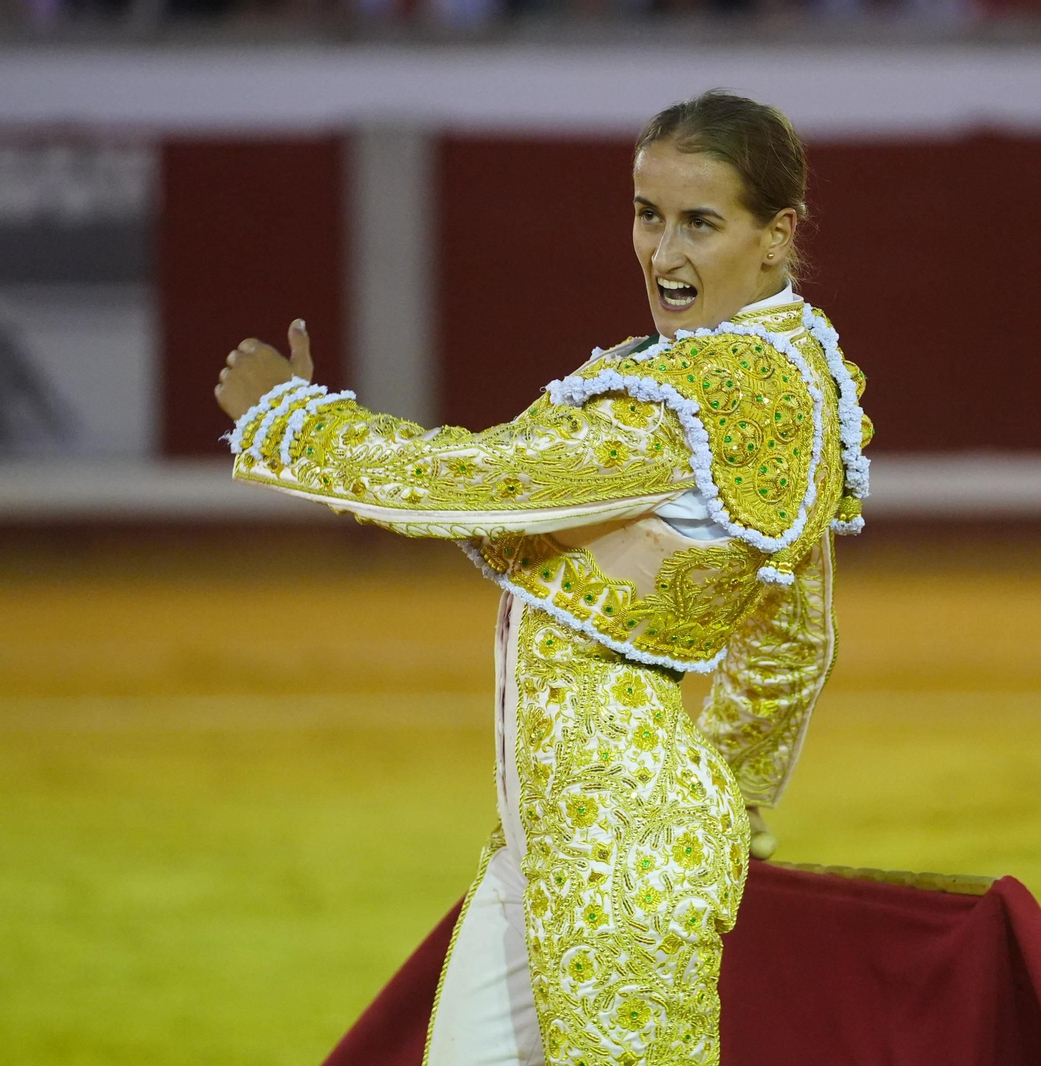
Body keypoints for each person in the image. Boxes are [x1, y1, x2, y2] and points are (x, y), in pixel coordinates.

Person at [213, 89, 870, 1066]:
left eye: (701, 222)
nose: (664, 253)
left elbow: (484, 485)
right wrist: (724, 806)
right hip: (581, 832)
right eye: (647, 215)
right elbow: (787, 642)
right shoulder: (794, 369)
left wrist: (294, 423)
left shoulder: (709, 391)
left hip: (615, 841)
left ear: (775, 236)